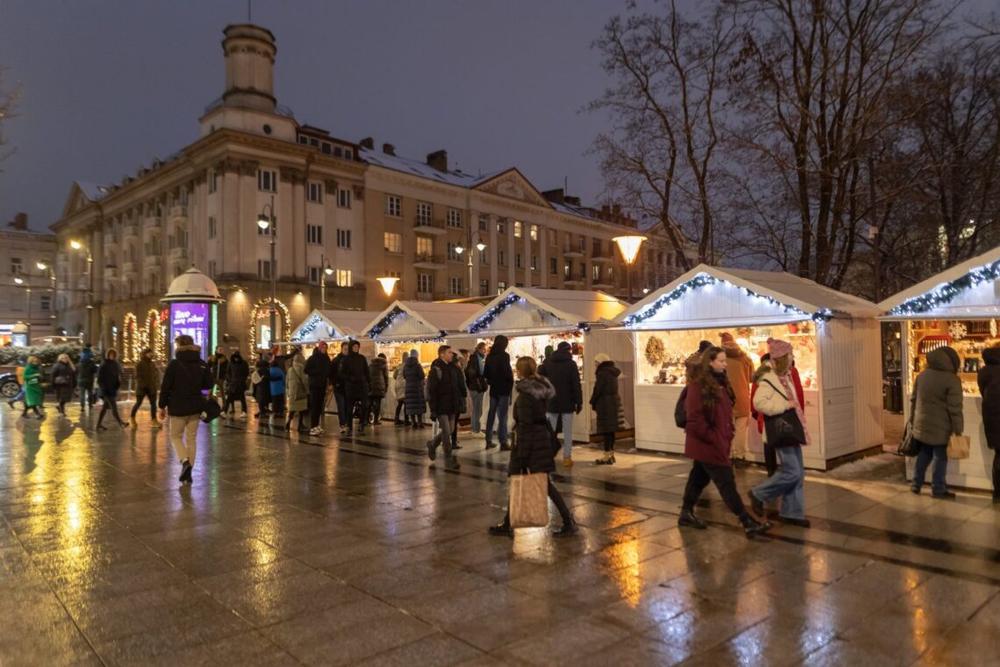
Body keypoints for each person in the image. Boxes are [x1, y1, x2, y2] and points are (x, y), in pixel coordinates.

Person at [679, 346, 770, 537]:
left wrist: (726, 434)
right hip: (709, 445)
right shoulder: (698, 386)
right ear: (710, 362)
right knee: (726, 483)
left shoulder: (720, 383)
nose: (725, 364)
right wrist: (716, 439)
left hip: (715, 442)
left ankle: (686, 513)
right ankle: (747, 521)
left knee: (698, 479)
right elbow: (695, 421)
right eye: (721, 361)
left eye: (724, 360)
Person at [489, 356, 577, 537]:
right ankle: (508, 523)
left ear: (521, 371)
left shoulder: (526, 395)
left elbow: (525, 426)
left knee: (535, 484)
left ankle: (568, 521)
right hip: (540, 441)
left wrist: (522, 454)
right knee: (539, 484)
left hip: (529, 444)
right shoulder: (540, 388)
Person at [748, 338, 810, 527]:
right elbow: (758, 403)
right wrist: (784, 405)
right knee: (792, 471)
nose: (793, 358)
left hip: (791, 427)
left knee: (798, 472)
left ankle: (792, 512)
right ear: (783, 357)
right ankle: (759, 493)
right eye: (790, 354)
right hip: (781, 429)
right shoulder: (769, 378)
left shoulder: (786, 375)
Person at [909, 346, 963, 499]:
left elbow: (913, 400)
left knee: (924, 454)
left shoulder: (922, 376)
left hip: (922, 424)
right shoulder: (952, 380)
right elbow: (955, 408)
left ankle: (915, 484)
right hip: (941, 427)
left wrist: (913, 421)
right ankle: (938, 489)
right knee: (940, 457)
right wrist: (958, 429)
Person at [158, 334, 212, 484]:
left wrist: (161, 406)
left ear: (179, 346)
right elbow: (208, 385)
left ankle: (185, 462)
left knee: (175, 436)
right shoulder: (201, 363)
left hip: (177, 406)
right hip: (195, 407)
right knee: (191, 439)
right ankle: (188, 475)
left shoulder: (174, 364)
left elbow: (165, 387)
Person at [540, 341, 582, 467]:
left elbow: (541, 380)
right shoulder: (571, 364)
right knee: (568, 432)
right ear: (568, 350)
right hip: (567, 403)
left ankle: (548, 456)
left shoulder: (547, 363)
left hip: (551, 402)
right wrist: (579, 402)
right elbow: (576, 385)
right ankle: (567, 458)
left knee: (551, 431)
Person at [425, 345, 463, 470]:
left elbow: (457, 387)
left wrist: (459, 403)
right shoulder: (436, 369)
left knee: (451, 429)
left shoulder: (453, 368)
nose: (452, 354)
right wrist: (433, 409)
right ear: (442, 354)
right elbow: (432, 391)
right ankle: (449, 458)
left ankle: (432, 444)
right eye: (449, 352)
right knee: (447, 432)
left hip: (452, 405)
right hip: (441, 406)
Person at [720, 332, 755, 466]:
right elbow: (752, 377)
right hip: (742, 396)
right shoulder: (744, 357)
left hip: (725, 397)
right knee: (740, 428)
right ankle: (739, 457)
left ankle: (727, 455)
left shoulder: (720, 359)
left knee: (726, 428)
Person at [977, 346, 1000, 503]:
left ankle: (997, 493)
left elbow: (982, 391)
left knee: (998, 456)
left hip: (991, 419)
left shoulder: (984, 371)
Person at [590, 353, 622, 465]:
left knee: (606, 431)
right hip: (612, 403)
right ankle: (611, 454)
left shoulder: (602, 373)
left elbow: (598, 389)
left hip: (604, 404)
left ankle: (607, 456)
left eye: (596, 362)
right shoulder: (612, 372)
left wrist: (592, 401)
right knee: (611, 430)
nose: (595, 365)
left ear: (600, 362)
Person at [484, 335, 513, 450]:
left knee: (491, 415)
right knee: (503, 416)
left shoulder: (489, 356)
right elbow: (507, 373)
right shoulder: (504, 356)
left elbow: (486, 374)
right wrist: (509, 383)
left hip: (494, 389)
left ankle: (488, 440)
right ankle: (503, 442)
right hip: (504, 389)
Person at [340, 340, 370, 435]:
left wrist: (368, 383)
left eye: (357, 347)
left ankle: (361, 424)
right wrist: (350, 378)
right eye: (354, 347)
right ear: (351, 348)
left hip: (362, 386)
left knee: (364, 406)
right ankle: (349, 426)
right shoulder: (346, 359)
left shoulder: (362, 358)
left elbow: (366, 371)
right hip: (351, 387)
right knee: (350, 407)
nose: (356, 348)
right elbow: (342, 373)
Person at [96, 349, 127, 430]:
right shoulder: (104, 364)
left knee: (104, 408)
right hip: (106, 390)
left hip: (112, 389)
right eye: (110, 354)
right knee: (114, 406)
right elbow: (99, 378)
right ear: (108, 355)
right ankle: (121, 423)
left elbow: (117, 375)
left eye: (113, 355)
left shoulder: (116, 364)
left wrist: (118, 384)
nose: (112, 356)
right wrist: (103, 388)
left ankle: (98, 425)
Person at [130, 348, 161, 427]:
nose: (151, 354)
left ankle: (154, 420)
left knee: (153, 404)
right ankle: (132, 418)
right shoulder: (139, 364)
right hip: (142, 388)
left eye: (151, 353)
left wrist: (156, 383)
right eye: (149, 353)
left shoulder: (152, 364)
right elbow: (137, 376)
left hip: (151, 387)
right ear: (145, 354)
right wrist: (143, 385)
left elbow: (155, 374)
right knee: (138, 403)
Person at [465, 341, 488, 433]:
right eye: (483, 349)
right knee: (477, 409)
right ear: (479, 349)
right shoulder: (476, 359)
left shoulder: (476, 358)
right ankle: (476, 429)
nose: (484, 352)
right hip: (476, 388)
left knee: (476, 409)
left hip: (475, 387)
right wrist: (479, 386)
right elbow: (474, 374)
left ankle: (475, 428)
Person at [284, 349, 308, 431]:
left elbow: (286, 381)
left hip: (292, 392)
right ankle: (300, 425)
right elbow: (304, 381)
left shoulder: (290, 369)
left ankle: (287, 424)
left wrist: (288, 391)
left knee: (292, 410)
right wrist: (307, 390)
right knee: (301, 410)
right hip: (300, 392)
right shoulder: (301, 369)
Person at [449, 351, 468, 450]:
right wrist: (464, 394)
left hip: (450, 398)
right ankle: (452, 441)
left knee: (452, 421)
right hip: (456, 398)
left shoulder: (448, 368)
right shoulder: (457, 369)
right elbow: (461, 385)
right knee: (454, 421)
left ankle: (450, 441)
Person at [403, 350, 427, 427]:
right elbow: (422, 375)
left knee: (411, 406)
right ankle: (420, 422)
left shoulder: (405, 366)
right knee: (418, 405)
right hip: (417, 388)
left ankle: (413, 422)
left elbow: (404, 376)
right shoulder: (417, 365)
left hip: (408, 388)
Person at [330, 341, 350, 432]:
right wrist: (334, 383)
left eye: (347, 349)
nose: (346, 351)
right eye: (345, 349)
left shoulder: (351, 360)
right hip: (339, 387)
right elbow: (332, 374)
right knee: (341, 406)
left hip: (348, 387)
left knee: (347, 405)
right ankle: (342, 424)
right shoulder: (336, 360)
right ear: (341, 349)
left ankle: (346, 423)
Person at [224, 350, 250, 419]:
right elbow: (228, 373)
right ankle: (224, 411)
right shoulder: (231, 363)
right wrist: (230, 380)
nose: (236, 358)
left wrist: (242, 379)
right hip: (233, 383)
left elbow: (246, 373)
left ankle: (244, 411)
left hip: (239, 384)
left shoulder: (243, 363)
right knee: (229, 398)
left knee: (241, 398)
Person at [368, 352, 389, 425]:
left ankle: (366, 419)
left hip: (371, 386)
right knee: (378, 403)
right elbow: (386, 377)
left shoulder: (371, 364)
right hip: (379, 386)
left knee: (370, 403)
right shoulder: (384, 365)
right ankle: (376, 420)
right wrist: (386, 387)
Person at [77, 345, 97, 410]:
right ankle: (90, 405)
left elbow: (77, 370)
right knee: (90, 393)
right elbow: (95, 370)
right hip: (89, 380)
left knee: (82, 393)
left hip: (81, 380)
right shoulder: (91, 362)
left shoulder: (80, 362)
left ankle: (82, 406)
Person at [252, 352, 271, 419]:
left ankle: (262, 411)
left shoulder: (258, 369)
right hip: (265, 386)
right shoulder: (267, 369)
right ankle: (263, 412)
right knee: (264, 399)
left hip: (259, 386)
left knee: (261, 400)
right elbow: (269, 377)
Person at [393, 360, 407, 425]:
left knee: (400, 403)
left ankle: (396, 419)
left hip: (397, 385)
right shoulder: (407, 366)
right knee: (405, 403)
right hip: (404, 385)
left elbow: (394, 376)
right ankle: (406, 420)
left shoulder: (399, 366)